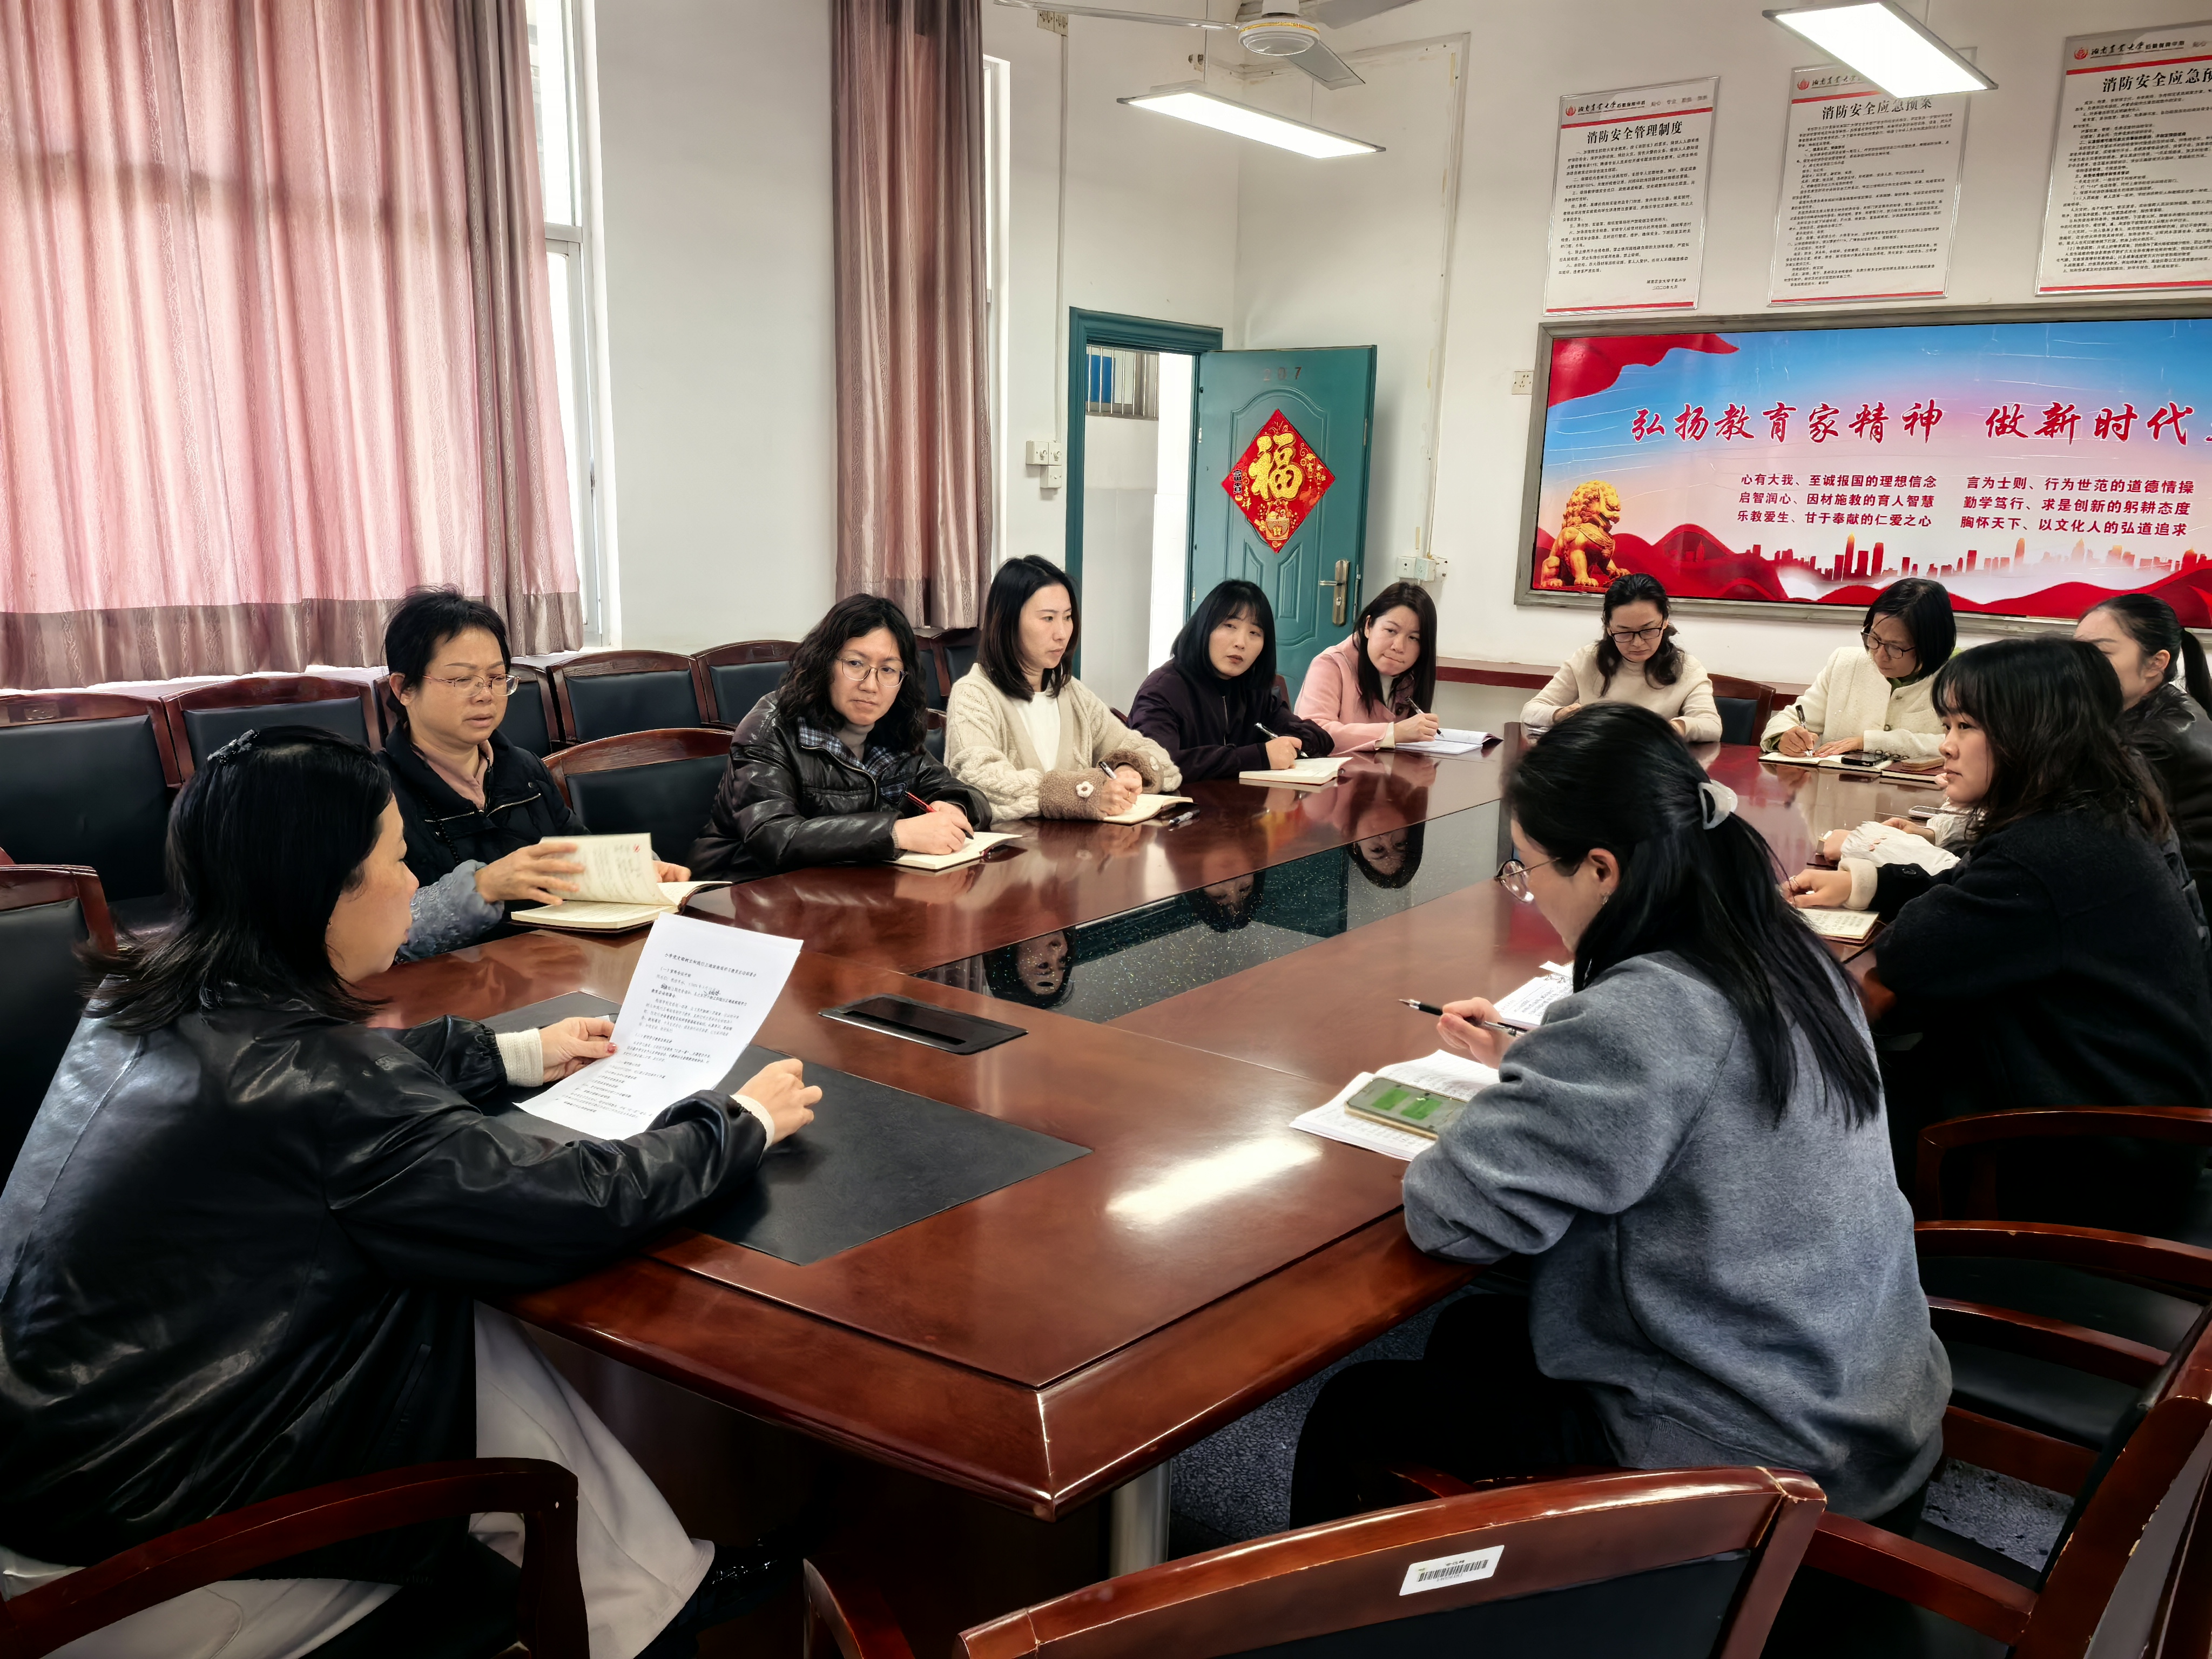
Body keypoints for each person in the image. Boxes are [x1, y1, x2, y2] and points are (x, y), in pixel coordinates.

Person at [0, 727, 821, 1659]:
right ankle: (644, 1612)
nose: (413, 881)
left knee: (431, 1301)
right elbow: (563, 1204)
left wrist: (513, 1052)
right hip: (143, 1570)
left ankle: (650, 1590)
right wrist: (736, 1124)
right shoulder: (318, 1086)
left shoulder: (140, 1003)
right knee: (446, 1293)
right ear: (322, 887)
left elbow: (324, 1080)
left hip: (60, 1475)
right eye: (395, 859)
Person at [1290, 704, 1945, 1528]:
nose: (1529, 891)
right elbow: (1695, 1089)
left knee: (1357, 1409)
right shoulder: (1789, 953)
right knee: (1473, 1333)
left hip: (1767, 1460)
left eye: (1528, 868)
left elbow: (1451, 1217)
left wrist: (1541, 1082)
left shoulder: (1645, 1013)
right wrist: (1540, 1064)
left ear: (1602, 868)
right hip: (1861, 1396)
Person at [1786, 637, 2212, 1231]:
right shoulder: (2090, 816)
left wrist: (1900, 903)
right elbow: (1969, 890)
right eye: (1947, 725)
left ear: (2032, 734)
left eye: (1965, 726)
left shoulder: (2048, 851)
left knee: (1811, 1091)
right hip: (2122, 1121)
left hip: (2077, 1160)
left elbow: (1910, 955)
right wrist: (1868, 883)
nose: (1946, 744)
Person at [379, 586, 688, 960]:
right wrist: (483, 887)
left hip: (544, 967)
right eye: (461, 680)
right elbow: (373, 936)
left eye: (497, 678)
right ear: (404, 688)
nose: (485, 694)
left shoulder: (524, 768)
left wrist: (637, 873)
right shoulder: (374, 793)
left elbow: (576, 856)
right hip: (446, 985)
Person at [689, 595, 990, 880]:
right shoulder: (771, 728)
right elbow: (774, 837)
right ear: (824, 663)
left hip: (846, 887)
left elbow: (963, 793)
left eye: (888, 670)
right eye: (856, 664)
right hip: (741, 891)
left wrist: (953, 806)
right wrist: (896, 833)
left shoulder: (893, 729)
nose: (871, 686)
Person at [942, 555, 1179, 819]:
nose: (1062, 633)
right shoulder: (973, 695)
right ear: (1008, 622)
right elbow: (978, 784)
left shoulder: (1072, 693)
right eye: (1048, 618)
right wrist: (1084, 794)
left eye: (1067, 617)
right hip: (1012, 845)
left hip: (1081, 843)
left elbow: (1159, 760)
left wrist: (1129, 768)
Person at [1129, 580, 1332, 780]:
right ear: (1204, 627)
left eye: (1254, 633)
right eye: (1229, 626)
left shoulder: (1253, 689)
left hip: (1242, 800)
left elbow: (1320, 738)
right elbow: (1155, 765)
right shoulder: (1163, 689)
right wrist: (1259, 756)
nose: (1241, 643)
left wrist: (1291, 745)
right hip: (1184, 801)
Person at [2077, 593, 2212, 894]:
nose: (2079, 667)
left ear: (2155, 663)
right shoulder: (2142, 709)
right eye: (2077, 653)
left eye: (2099, 653)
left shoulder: (2158, 740)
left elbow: (2077, 818)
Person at [1763, 577, 1954, 758]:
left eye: (1895, 647)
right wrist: (1785, 736)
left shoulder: (1956, 680)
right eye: (1874, 639)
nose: (1880, 655)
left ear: (1930, 646)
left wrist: (1869, 743)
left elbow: (1958, 744)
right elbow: (1790, 718)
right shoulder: (1845, 663)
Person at [1520, 574, 1720, 741]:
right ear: (1609, 627)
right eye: (1624, 632)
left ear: (1665, 621)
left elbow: (1711, 725)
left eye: (1648, 630)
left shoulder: (1687, 668)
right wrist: (1561, 715)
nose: (1637, 643)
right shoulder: (1587, 660)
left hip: (1654, 765)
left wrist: (1674, 728)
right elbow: (1531, 711)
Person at [1294, 581, 1442, 752]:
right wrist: (1393, 733)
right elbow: (1314, 733)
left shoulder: (1411, 676)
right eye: (1391, 631)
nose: (1399, 647)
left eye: (1414, 638)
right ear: (1368, 626)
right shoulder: (1331, 665)